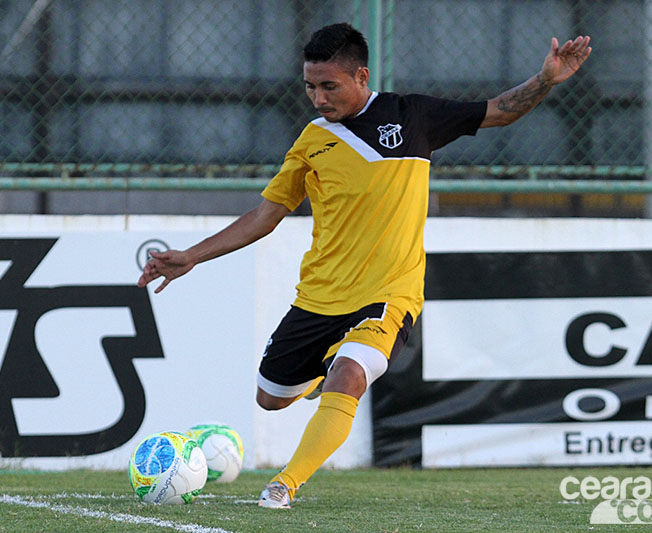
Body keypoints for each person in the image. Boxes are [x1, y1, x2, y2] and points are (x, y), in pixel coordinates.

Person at [137, 22, 591, 509]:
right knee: (270, 398)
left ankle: (284, 484)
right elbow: (265, 216)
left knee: (350, 375)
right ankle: (322, 371)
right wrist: (191, 256)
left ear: (361, 76)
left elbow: (499, 110)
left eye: (329, 86)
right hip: (320, 296)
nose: (318, 98)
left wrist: (545, 80)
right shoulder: (312, 140)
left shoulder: (413, 116)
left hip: (389, 293)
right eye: (310, 86)